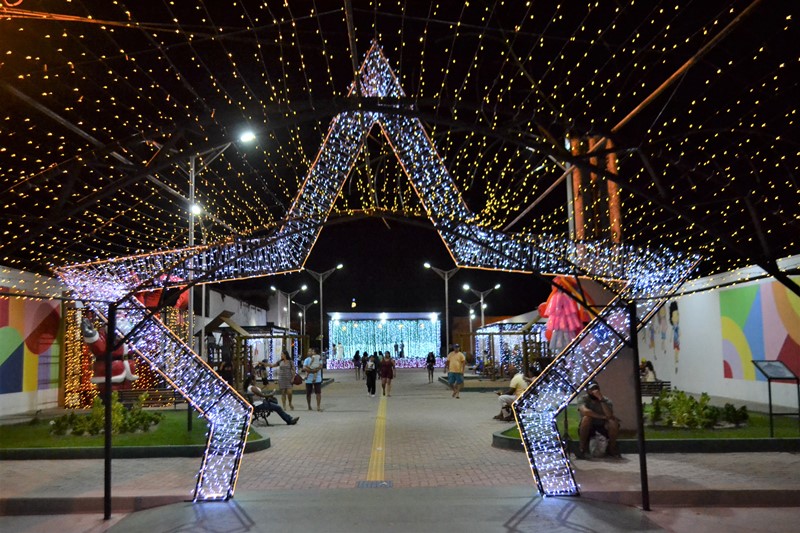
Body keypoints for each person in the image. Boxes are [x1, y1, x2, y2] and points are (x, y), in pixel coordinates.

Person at [576, 381, 620, 459]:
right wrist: (602, 417)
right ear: (587, 391)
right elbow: (585, 411)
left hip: (603, 426)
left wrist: (601, 400)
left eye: (596, 389)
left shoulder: (606, 400)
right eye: (591, 389)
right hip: (589, 426)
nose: (594, 391)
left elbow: (609, 415)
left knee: (613, 422)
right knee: (587, 418)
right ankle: (581, 448)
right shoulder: (583, 399)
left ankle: (611, 448)